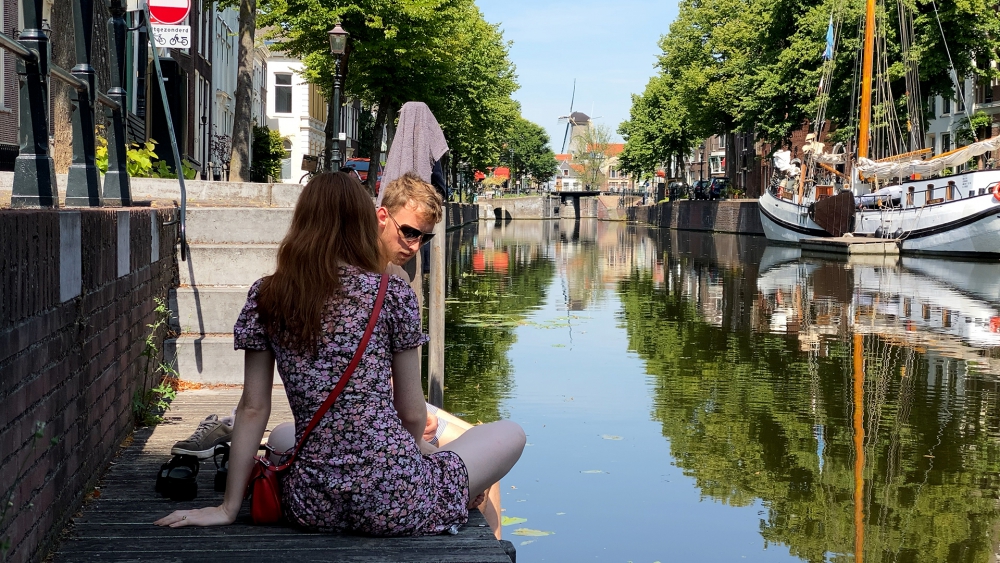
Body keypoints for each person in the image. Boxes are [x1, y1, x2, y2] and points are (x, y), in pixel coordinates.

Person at [154, 172, 525, 535]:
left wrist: (227, 508)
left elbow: (252, 408)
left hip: (313, 503)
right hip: (393, 500)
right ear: (364, 222)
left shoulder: (266, 295)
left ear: (302, 221)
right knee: (510, 433)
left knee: (285, 434)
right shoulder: (391, 294)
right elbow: (411, 413)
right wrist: (418, 457)